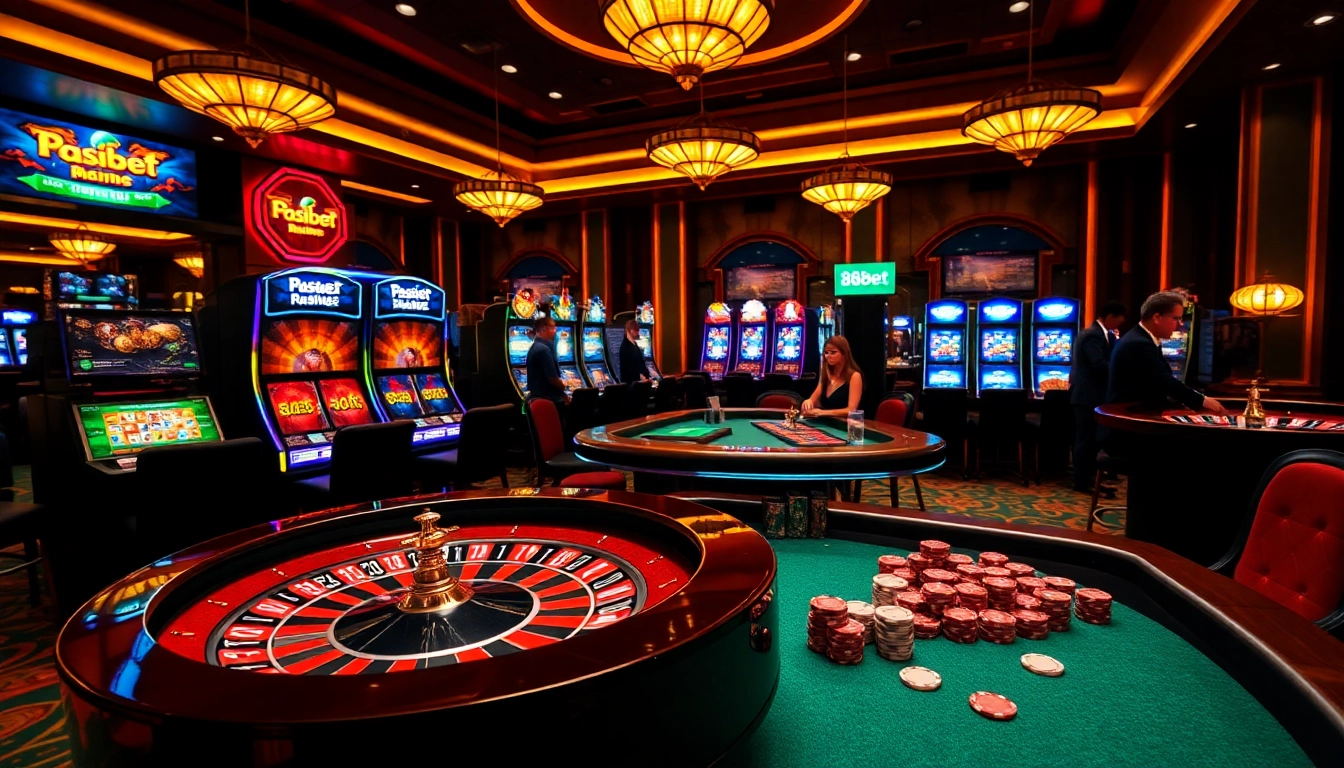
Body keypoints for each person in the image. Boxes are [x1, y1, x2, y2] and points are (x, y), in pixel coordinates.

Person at [1106, 291, 1227, 445]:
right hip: (1129, 431)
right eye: (1175, 318)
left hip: (1137, 421)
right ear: (1157, 317)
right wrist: (1202, 401)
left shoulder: (1141, 338)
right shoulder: (1138, 343)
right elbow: (1164, 381)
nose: (1180, 324)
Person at [1069, 300, 1127, 493]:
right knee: (1085, 441)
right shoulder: (1093, 334)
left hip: (1093, 396)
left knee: (1093, 441)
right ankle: (1081, 482)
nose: (1118, 325)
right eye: (1118, 321)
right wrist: (1124, 373)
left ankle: (1091, 479)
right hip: (1087, 396)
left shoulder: (1103, 334)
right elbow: (1098, 364)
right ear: (1110, 317)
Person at [802, 335, 863, 418]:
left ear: (844, 354)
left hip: (844, 425)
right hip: (825, 424)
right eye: (826, 353)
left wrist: (823, 413)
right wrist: (807, 402)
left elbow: (852, 409)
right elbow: (812, 400)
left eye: (833, 352)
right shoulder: (826, 375)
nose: (828, 356)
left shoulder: (854, 376)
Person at [526, 315, 569, 408]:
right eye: (553, 328)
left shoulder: (537, 346)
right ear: (544, 329)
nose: (555, 331)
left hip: (540, 398)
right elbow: (552, 379)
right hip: (549, 400)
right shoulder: (544, 349)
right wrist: (565, 386)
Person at [619, 318, 649, 385]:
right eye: (636, 331)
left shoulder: (634, 344)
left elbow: (641, 363)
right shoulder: (625, 347)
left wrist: (646, 374)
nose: (638, 333)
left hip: (638, 382)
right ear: (631, 331)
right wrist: (640, 376)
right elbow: (627, 369)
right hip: (630, 385)